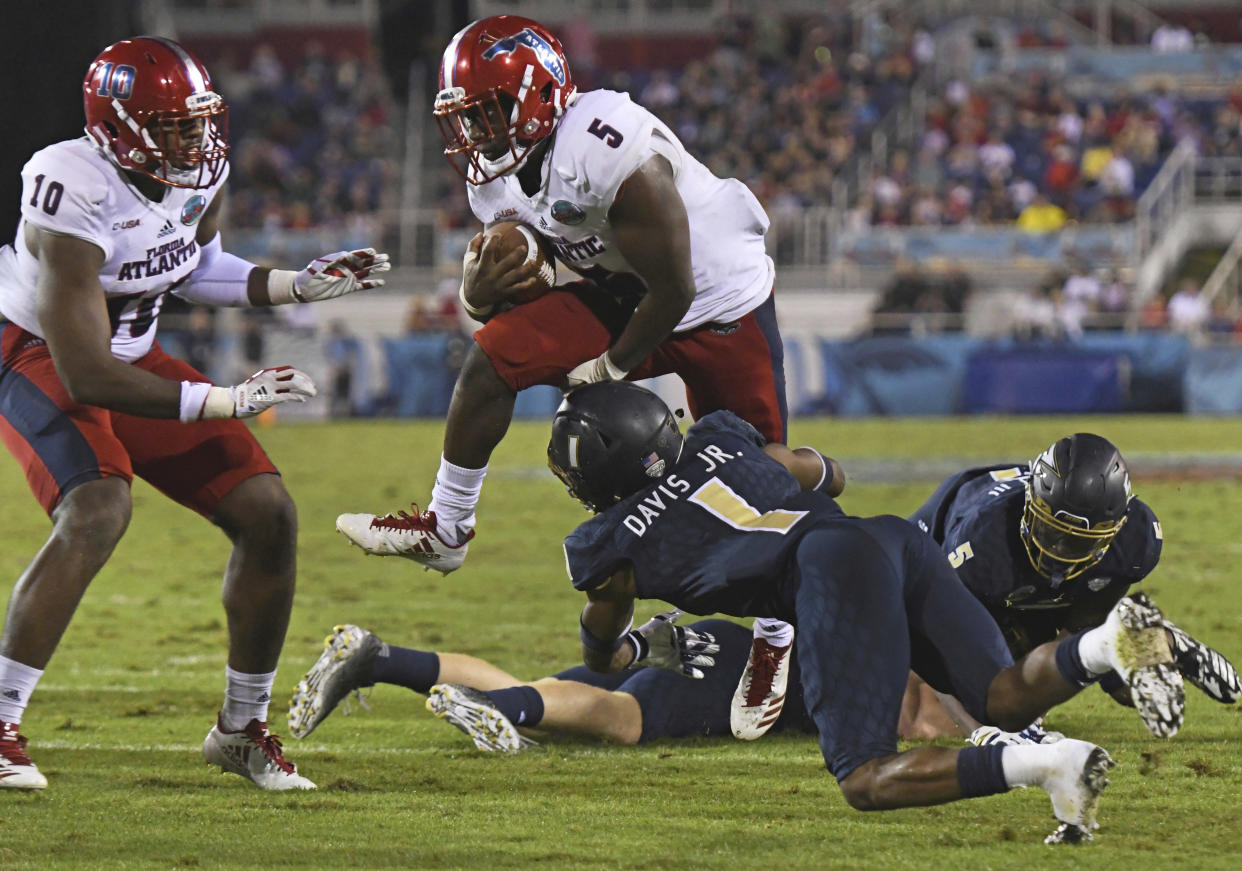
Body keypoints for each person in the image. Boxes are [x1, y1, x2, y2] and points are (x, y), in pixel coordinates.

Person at [335, 15, 801, 739]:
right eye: (466, 117)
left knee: (766, 477)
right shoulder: (493, 175)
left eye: (487, 113)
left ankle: (776, 631)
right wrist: (478, 293)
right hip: (619, 289)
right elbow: (526, 275)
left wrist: (608, 368)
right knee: (493, 356)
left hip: (713, 303)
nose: (475, 134)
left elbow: (672, 287)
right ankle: (447, 524)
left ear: (538, 97)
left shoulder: (608, 145)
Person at [546, 382, 1187, 844]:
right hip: (888, 538)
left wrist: (635, 651)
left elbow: (599, 650)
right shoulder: (720, 438)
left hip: (827, 573)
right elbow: (828, 475)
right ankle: (1105, 645)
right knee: (1004, 697)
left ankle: (1049, 765)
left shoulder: (610, 547)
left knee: (865, 779)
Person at [0, 36, 390, 792]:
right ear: (115, 126)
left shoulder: (202, 169)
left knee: (268, 511)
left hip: (134, 349)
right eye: (173, 125)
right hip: (39, 353)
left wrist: (296, 286)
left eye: (196, 120)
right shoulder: (65, 184)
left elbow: (196, 266)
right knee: (98, 505)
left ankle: (241, 729)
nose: (194, 139)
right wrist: (225, 398)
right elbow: (84, 369)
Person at [907, 433, 1240, 739]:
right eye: (1051, 533)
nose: (1058, 554)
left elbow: (1079, 625)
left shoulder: (1134, 538)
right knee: (938, 713)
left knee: (1122, 690)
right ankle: (1129, 638)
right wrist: (986, 731)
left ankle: (1141, 640)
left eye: (1078, 543)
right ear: (1029, 508)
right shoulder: (980, 545)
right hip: (959, 561)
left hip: (1028, 583)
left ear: (1114, 531)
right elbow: (938, 650)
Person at [285, 620, 964, 752]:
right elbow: (923, 722)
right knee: (620, 717)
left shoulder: (877, 619)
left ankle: (380, 658)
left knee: (545, 691)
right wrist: (991, 736)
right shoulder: (915, 669)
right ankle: (488, 707)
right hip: (740, 672)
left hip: (716, 640)